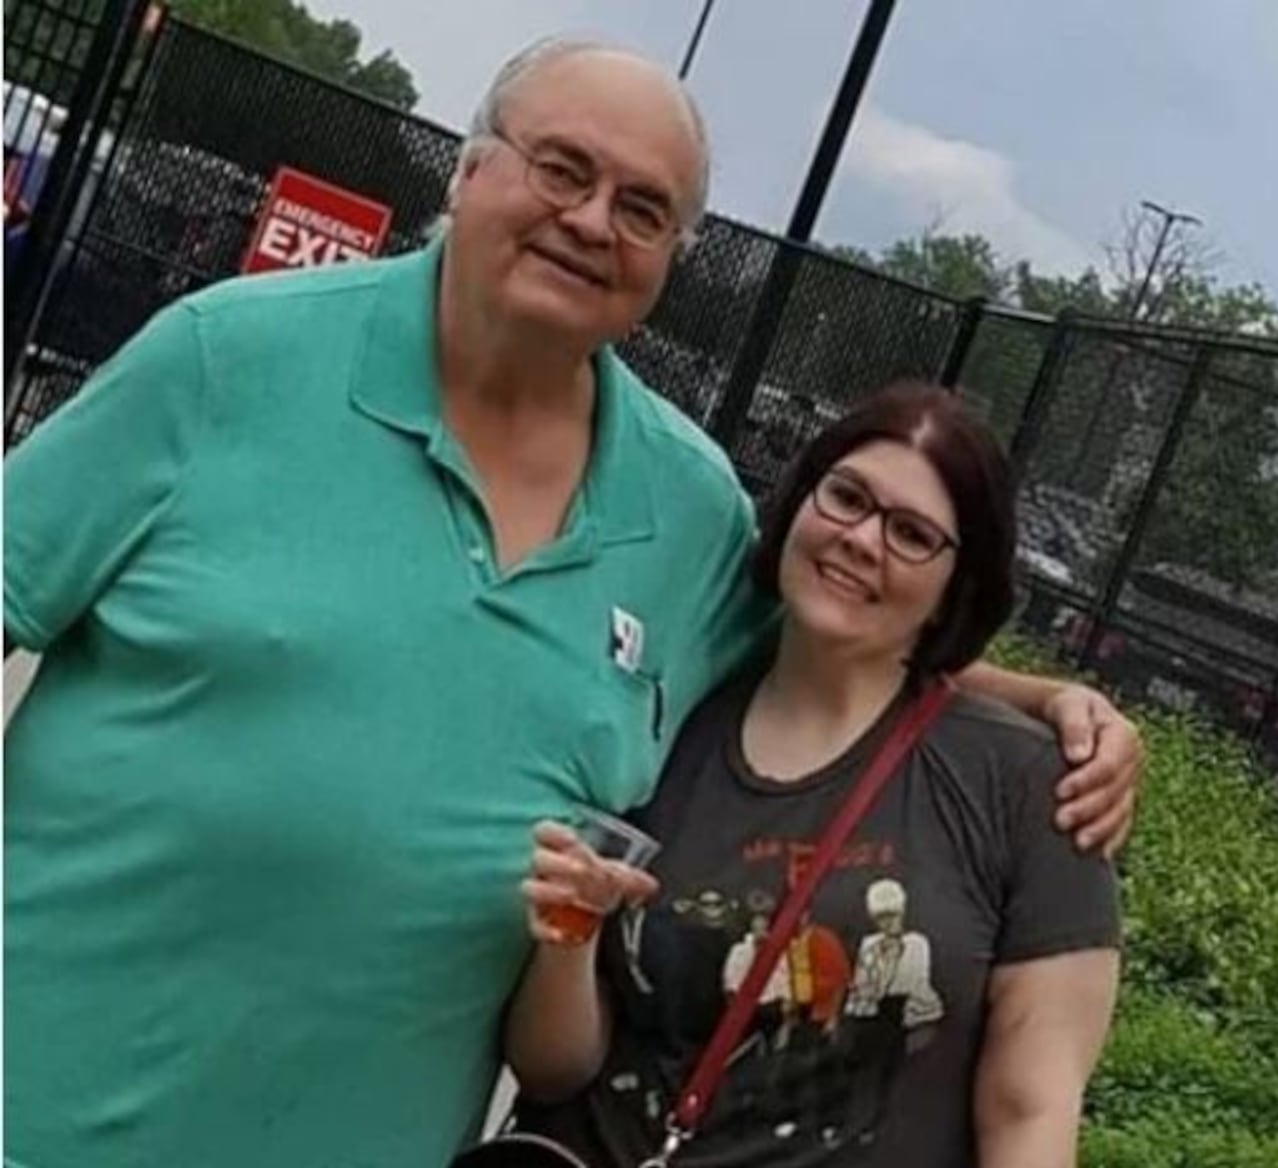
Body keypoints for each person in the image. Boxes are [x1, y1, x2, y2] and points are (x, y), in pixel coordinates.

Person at [2, 40, 1136, 1168]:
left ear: (670, 257)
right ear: (469, 169)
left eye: (643, 209)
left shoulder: (683, 511)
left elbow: (835, 637)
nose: (593, 222)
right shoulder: (226, 360)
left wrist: (1045, 703)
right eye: (562, 169)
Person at [512, 383, 1122, 1167]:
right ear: (801, 501)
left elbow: (1030, 1109)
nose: (863, 539)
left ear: (953, 589)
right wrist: (568, 937)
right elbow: (553, 1067)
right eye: (847, 497)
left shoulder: (1029, 787)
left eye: (912, 534)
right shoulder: (667, 716)